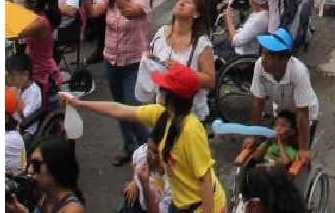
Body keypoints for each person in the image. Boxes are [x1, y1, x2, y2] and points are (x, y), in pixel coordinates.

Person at [60, 63, 225, 213]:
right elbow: (118, 109)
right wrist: (79, 104)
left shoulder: (191, 129)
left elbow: (205, 180)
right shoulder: (162, 114)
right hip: (181, 204)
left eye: (163, 87)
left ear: (173, 96)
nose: (158, 88)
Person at [76, 0, 150, 166]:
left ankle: (151, 149)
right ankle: (130, 148)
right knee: (119, 109)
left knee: (133, 111)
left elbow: (129, 12)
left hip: (133, 63)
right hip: (112, 61)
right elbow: (91, 12)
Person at [244, 29, 318, 166]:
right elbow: (258, 101)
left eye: (269, 56)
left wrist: (303, 149)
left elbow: (303, 112)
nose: (263, 59)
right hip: (282, 112)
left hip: (303, 113)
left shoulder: (298, 72)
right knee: (273, 142)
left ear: (284, 59)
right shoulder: (259, 66)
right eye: (263, 53)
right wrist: (252, 135)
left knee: (298, 156)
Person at [149, 0, 215, 120]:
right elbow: (154, 65)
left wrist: (184, 73)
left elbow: (210, 81)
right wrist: (149, 59)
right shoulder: (161, 34)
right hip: (161, 107)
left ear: (196, 14)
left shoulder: (201, 43)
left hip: (189, 114)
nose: (181, 2)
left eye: (188, 2)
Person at [6, 136, 85, 213]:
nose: (30, 170)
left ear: (55, 166)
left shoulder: (73, 209)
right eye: (30, 164)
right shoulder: (44, 195)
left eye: (36, 165)